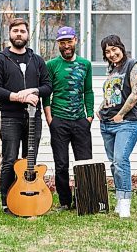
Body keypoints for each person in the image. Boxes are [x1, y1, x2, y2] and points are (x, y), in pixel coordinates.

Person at [0, 18, 52, 215]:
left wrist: (33, 91)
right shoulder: (1, 59)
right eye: (15, 31)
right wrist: (16, 96)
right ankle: (7, 202)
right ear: (10, 34)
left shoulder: (37, 60)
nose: (19, 34)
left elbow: (48, 86)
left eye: (22, 31)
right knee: (9, 160)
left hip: (34, 117)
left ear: (27, 35)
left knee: (29, 159)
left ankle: (28, 197)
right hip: (10, 117)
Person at [42, 26, 94, 211]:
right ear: (58, 44)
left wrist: (89, 115)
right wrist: (49, 118)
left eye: (69, 41)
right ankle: (65, 202)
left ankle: (85, 199)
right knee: (61, 163)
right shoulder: (51, 65)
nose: (66, 46)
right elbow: (47, 94)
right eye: (62, 43)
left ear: (75, 41)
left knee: (84, 161)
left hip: (80, 120)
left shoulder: (85, 64)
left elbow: (88, 91)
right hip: (59, 120)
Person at [97, 35, 137, 218]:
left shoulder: (132, 65)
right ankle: (119, 198)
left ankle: (125, 203)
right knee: (115, 165)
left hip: (126, 123)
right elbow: (112, 96)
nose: (112, 53)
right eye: (107, 51)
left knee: (121, 161)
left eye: (114, 49)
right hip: (106, 124)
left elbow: (136, 93)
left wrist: (121, 114)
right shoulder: (112, 71)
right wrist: (100, 109)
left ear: (121, 48)